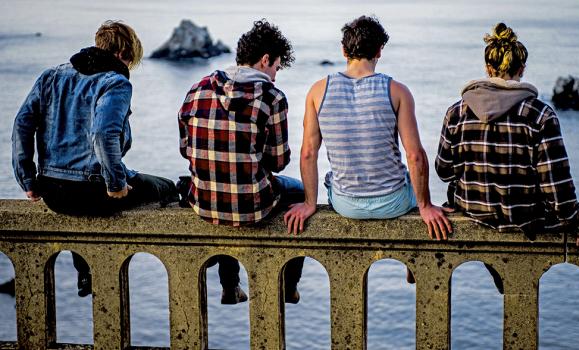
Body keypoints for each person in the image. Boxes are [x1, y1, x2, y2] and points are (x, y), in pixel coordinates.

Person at [12, 21, 179, 297]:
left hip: (52, 191)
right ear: (124, 53)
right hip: (92, 191)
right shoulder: (116, 82)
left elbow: (22, 124)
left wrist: (27, 180)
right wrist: (115, 183)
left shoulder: (51, 76)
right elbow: (103, 134)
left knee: (91, 199)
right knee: (166, 188)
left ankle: (85, 271)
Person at [284, 16, 452, 247]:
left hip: (346, 205)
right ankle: (412, 263)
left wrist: (309, 203)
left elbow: (308, 153)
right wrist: (426, 206)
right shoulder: (397, 91)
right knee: (411, 186)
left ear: (344, 51)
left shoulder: (317, 91)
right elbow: (415, 156)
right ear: (379, 51)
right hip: (394, 202)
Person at [435, 22, 579, 249]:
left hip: (473, 212)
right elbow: (557, 188)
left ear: (488, 68)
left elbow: (443, 171)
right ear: (522, 69)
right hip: (527, 219)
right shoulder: (540, 115)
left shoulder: (456, 112)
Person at [178, 20, 305, 304]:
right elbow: (279, 161)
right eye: (276, 67)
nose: (275, 75)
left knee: (223, 184)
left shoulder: (196, 89)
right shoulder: (272, 97)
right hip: (253, 208)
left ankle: (230, 286)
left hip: (203, 202)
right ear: (265, 60)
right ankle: (288, 285)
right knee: (301, 193)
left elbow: (186, 150)